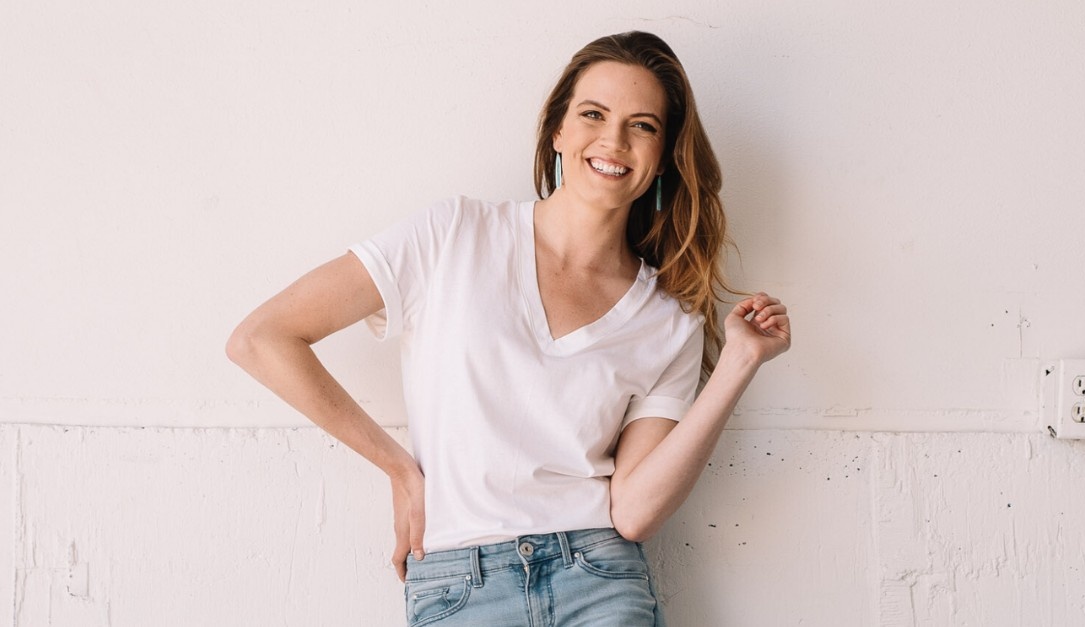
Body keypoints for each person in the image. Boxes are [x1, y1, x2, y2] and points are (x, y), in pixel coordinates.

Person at [227, 31, 790, 627]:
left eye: (643, 125)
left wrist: (738, 364)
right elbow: (262, 338)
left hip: (599, 578)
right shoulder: (453, 235)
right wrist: (397, 467)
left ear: (665, 153)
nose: (614, 140)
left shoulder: (667, 317)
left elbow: (633, 513)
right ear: (558, 130)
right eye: (593, 114)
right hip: (459, 584)